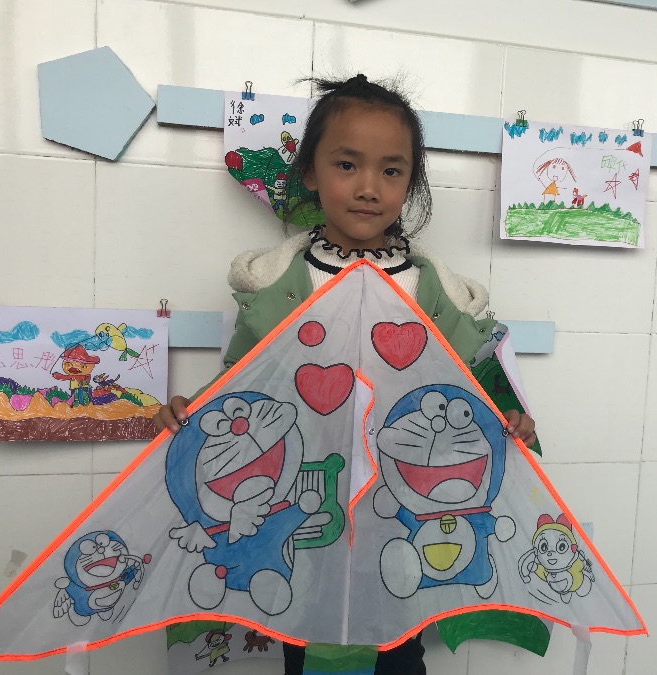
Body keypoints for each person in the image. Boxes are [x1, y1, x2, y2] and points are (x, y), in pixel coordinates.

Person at [154, 73, 537, 675]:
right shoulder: (283, 286)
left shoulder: (428, 288)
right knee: (307, 630)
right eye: (347, 164)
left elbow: (468, 375)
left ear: (410, 182)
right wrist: (193, 414)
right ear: (311, 172)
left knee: (399, 638)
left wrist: (508, 418)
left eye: (392, 170)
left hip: (397, 494)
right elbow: (245, 380)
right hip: (308, 493)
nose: (368, 187)